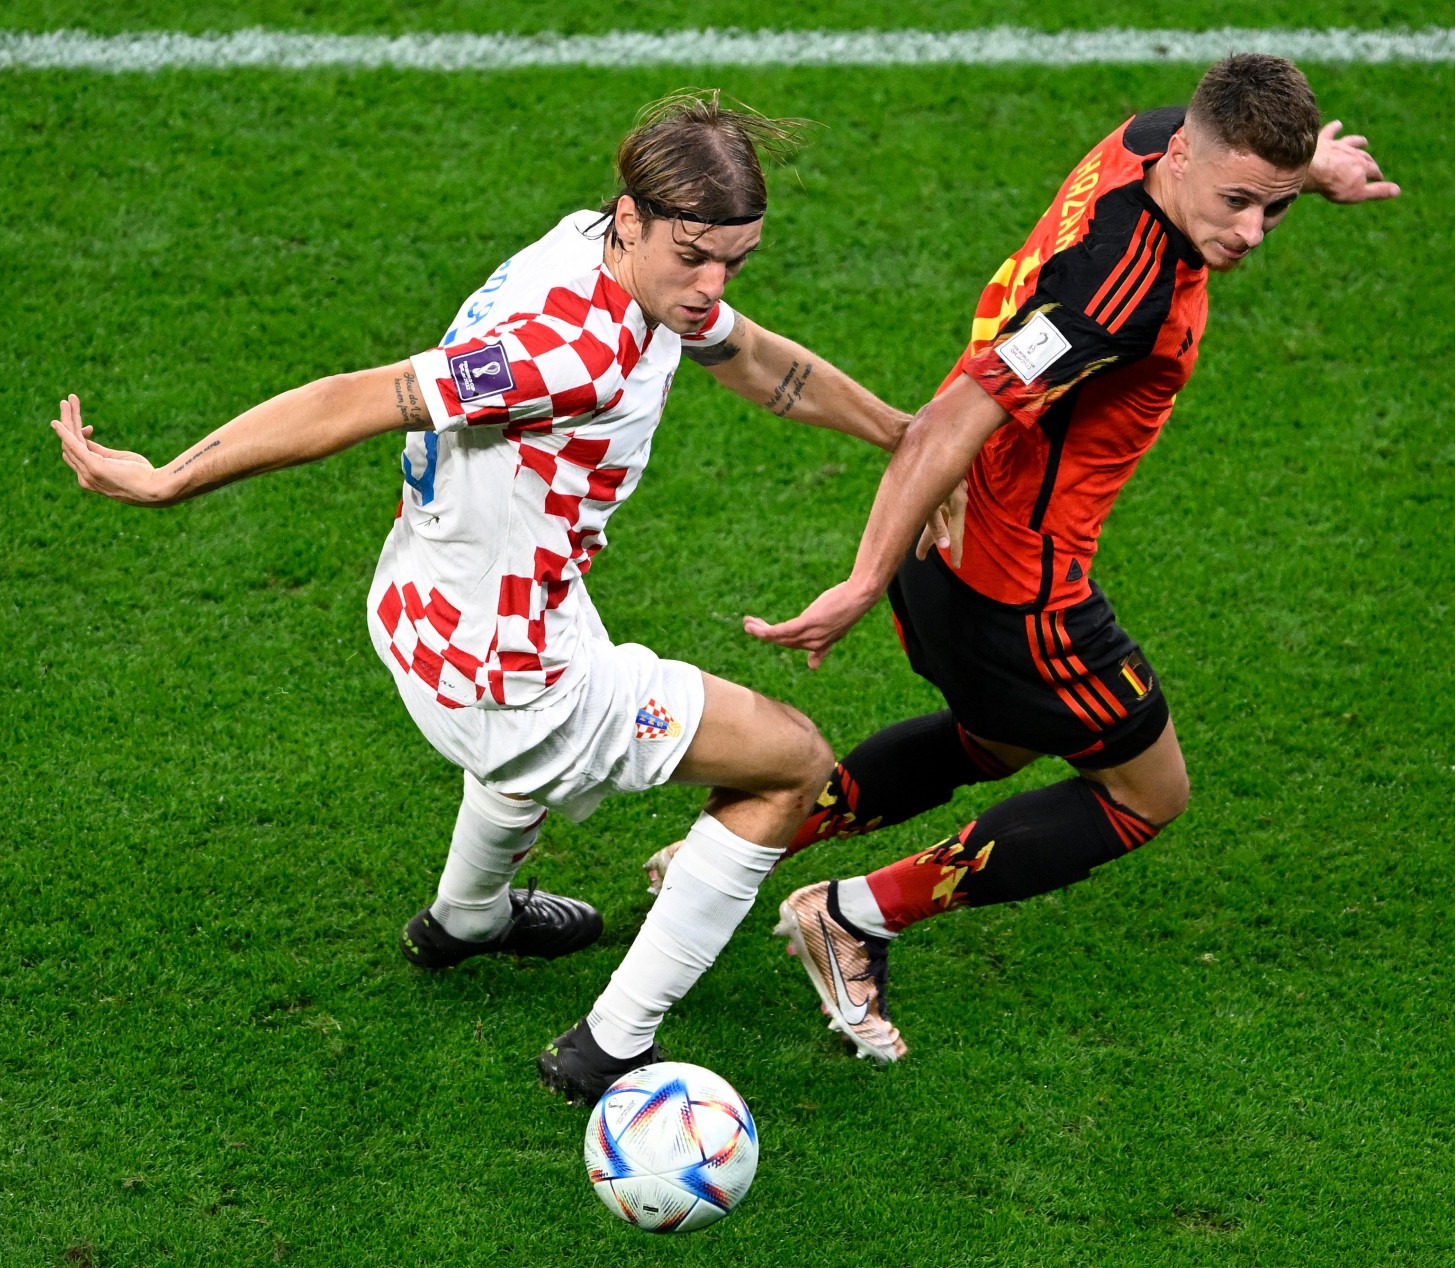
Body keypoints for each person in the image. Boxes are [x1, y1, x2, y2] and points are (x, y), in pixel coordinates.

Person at [49, 91, 912, 1102]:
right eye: (694, 257)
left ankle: (465, 920)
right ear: (633, 220)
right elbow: (358, 397)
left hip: (424, 604)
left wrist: (902, 438)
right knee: (791, 763)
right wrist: (168, 477)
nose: (711, 285)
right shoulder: (571, 351)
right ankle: (612, 1044)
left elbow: (746, 351)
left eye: (734, 260)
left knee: (539, 727)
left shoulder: (593, 248)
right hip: (514, 676)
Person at [742, 55, 1402, 1062]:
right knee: (1146, 793)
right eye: (1237, 203)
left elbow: (1234, 156)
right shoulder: (1116, 294)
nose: (1251, 233)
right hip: (1019, 592)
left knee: (1000, 739)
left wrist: (1316, 169)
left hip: (948, 543)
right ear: (1187, 154)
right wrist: (860, 578)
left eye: (1274, 210)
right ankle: (851, 913)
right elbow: (943, 425)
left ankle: (732, 850)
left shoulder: (1149, 139)